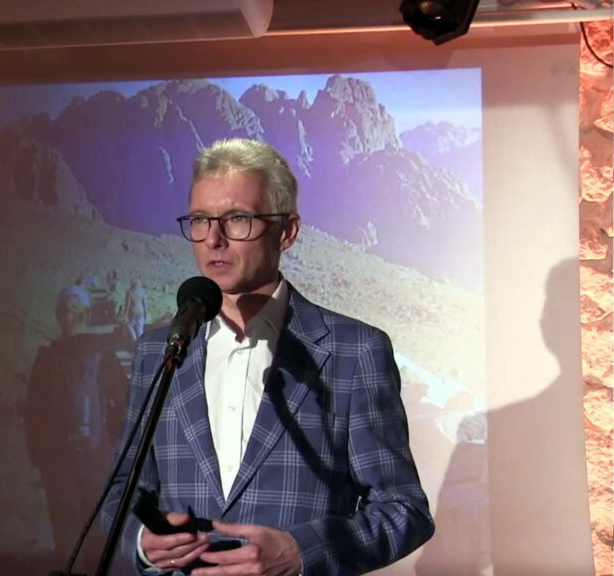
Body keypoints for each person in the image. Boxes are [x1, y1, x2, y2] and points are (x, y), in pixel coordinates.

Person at [101, 139, 434, 575]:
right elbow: (124, 490)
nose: (213, 239)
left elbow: (403, 508)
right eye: (200, 220)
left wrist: (302, 553)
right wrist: (141, 542)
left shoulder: (354, 351)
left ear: (287, 232)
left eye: (237, 219)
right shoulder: (159, 350)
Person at [25, 284, 131, 571]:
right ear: (86, 315)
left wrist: (40, 457)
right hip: (96, 460)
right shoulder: (103, 355)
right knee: (95, 534)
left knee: (66, 535)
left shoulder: (47, 357)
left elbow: (33, 413)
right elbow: (126, 406)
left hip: (59, 463)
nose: (67, 316)